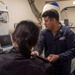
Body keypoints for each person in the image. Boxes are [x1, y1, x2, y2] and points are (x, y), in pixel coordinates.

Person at [32, 9, 75, 75]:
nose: (44, 23)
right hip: (49, 68)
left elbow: (73, 50)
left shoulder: (67, 33)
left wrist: (59, 57)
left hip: (63, 70)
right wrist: (37, 51)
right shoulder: (44, 32)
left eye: (46, 21)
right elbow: (40, 43)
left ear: (53, 20)